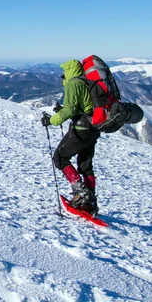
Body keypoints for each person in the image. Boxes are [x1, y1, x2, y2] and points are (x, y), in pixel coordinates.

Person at [41, 59, 100, 214]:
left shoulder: (73, 84)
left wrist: (51, 120)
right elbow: (81, 105)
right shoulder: (87, 81)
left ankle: (81, 193)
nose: (62, 76)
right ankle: (90, 201)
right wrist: (63, 109)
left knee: (60, 157)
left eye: (64, 72)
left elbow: (70, 109)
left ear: (69, 70)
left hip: (81, 128)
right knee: (85, 165)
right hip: (94, 127)